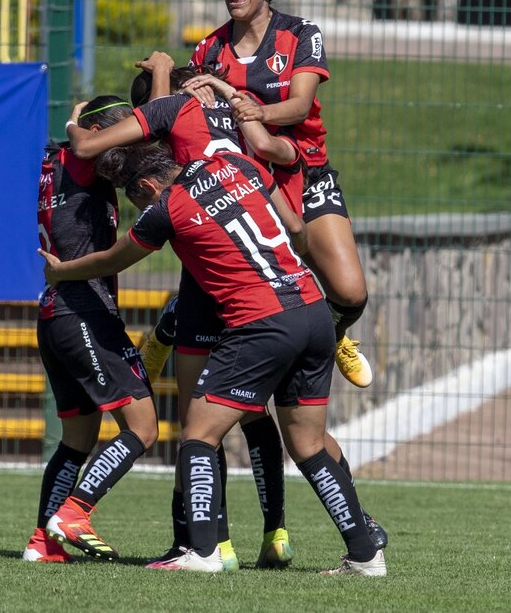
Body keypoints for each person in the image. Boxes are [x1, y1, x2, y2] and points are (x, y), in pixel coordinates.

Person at [41, 144, 387, 576]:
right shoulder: (235, 163)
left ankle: (202, 551)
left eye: (140, 201)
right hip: (312, 307)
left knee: (199, 436)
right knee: (309, 445)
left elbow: (114, 260)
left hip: (261, 322)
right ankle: (364, 554)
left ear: (148, 186)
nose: (144, 209)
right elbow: (294, 225)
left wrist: (60, 272)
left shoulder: (166, 207)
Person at [64, 66, 300, 569]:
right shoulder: (233, 119)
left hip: (211, 277)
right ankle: (271, 531)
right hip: (269, 271)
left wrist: (156, 80)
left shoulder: (173, 129)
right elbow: (289, 196)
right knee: (253, 415)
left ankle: (207, 543)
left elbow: (101, 148)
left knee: (199, 420)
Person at [156, 0, 375, 390]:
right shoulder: (208, 51)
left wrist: (244, 105)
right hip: (246, 181)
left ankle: (336, 331)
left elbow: (299, 105)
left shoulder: (300, 35)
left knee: (351, 293)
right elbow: (196, 121)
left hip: (306, 168)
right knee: (228, 297)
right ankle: (172, 322)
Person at [22, 96, 160, 564]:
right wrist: (80, 117)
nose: (128, 140)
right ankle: (74, 513)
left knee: (77, 440)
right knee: (143, 429)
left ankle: (43, 544)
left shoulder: (51, 164)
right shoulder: (81, 160)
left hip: (56, 315)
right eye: (119, 131)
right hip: (83, 312)